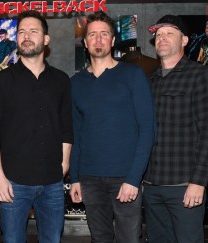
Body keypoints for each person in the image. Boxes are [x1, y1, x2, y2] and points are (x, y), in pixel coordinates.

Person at [0, 10, 73, 243]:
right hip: (13, 183)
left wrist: (63, 165)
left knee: (52, 239)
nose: (26, 36)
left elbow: (66, 127)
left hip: (52, 182)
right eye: (21, 32)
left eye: (33, 31)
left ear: (46, 39)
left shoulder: (61, 80)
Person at [69, 11, 155, 243]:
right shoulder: (76, 83)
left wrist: (133, 178)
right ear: (85, 42)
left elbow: (147, 129)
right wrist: (75, 178)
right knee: (100, 239)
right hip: (89, 178)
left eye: (104, 34)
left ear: (113, 40)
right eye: (93, 35)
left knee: (129, 239)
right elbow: (75, 133)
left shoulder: (133, 75)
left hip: (124, 177)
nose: (98, 40)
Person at [144, 15, 208, 243]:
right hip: (151, 185)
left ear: (185, 40)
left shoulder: (201, 76)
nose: (162, 38)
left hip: (184, 186)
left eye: (170, 33)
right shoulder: (151, 81)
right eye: (158, 35)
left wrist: (198, 181)